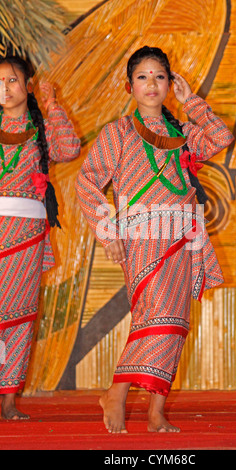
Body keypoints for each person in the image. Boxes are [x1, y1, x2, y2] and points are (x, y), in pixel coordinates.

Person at [76, 46, 234, 433]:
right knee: (154, 315)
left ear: (170, 83)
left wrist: (191, 101)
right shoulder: (117, 133)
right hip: (143, 235)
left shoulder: (183, 133)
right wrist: (106, 231)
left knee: (175, 321)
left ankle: (155, 411)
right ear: (129, 85)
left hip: (184, 234)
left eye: (160, 76)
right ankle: (116, 391)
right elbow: (87, 182)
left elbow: (221, 136)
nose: (152, 83)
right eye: (143, 76)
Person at [0, 56, 81, 420]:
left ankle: (8, 399)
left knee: (19, 316)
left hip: (27, 236)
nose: (5, 88)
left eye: (12, 80)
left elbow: (68, 150)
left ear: (27, 85)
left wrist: (51, 104)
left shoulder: (41, 127)